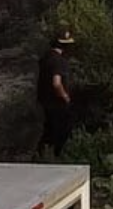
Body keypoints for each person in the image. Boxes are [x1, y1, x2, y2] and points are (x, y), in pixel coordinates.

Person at [37, 30, 75, 159]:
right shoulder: (59, 61)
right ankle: (56, 156)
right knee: (61, 130)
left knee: (48, 130)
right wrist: (65, 97)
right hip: (57, 102)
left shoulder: (46, 58)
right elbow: (57, 83)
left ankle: (42, 155)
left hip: (44, 101)